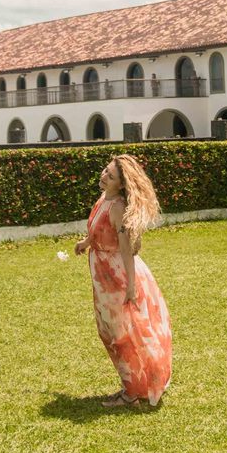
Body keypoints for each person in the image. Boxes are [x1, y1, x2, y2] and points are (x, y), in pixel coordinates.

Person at [75, 154, 172, 408]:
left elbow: (126, 248)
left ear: (122, 184)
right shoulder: (103, 200)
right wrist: (86, 243)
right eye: (105, 171)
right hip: (103, 275)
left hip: (116, 276)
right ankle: (133, 385)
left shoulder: (117, 206)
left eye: (111, 176)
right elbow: (97, 229)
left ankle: (133, 392)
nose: (104, 176)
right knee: (109, 331)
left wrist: (131, 286)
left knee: (123, 334)